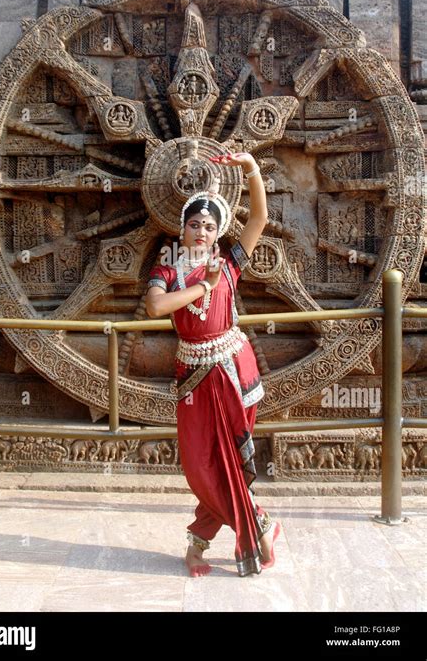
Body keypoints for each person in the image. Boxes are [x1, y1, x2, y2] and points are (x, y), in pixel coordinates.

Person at [145, 151, 281, 577]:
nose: (201, 231)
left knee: (227, 463)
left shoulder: (231, 264)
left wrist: (252, 170)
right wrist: (202, 284)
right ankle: (259, 525)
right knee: (200, 465)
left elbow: (258, 218)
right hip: (193, 375)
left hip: (234, 372)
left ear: (217, 231)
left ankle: (197, 546)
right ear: (182, 228)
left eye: (209, 226)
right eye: (194, 224)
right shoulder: (167, 270)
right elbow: (155, 308)